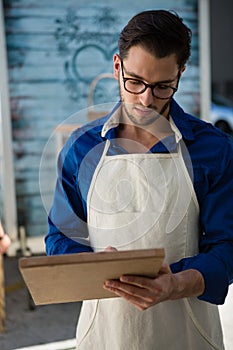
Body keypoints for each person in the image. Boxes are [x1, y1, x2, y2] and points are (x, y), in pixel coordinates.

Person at [45, 10, 233, 349]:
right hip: (104, 331)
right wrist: (94, 266)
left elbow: (227, 246)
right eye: (136, 82)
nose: (146, 99)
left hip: (187, 330)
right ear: (117, 67)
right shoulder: (81, 148)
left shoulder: (213, 150)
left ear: (181, 73)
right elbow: (60, 237)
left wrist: (176, 283)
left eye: (163, 87)